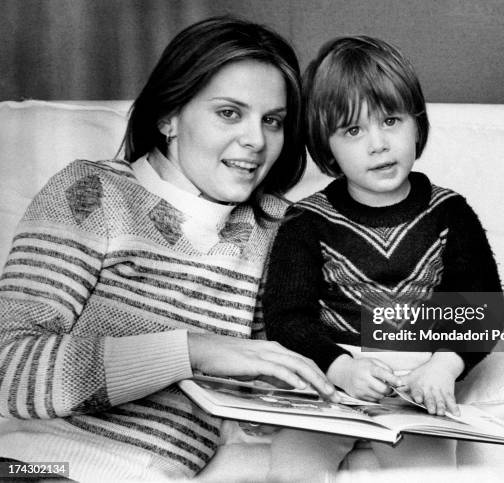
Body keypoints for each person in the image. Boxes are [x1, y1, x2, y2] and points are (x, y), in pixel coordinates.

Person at [0, 16, 339, 481]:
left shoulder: (279, 230)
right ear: (169, 116)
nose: (257, 141)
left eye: (273, 121)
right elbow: (9, 372)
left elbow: (281, 376)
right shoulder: (92, 192)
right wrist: (191, 350)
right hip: (41, 464)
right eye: (229, 113)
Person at [263, 36, 504, 480]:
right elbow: (286, 317)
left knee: (427, 475)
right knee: (289, 470)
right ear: (326, 145)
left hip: (418, 385)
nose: (378, 144)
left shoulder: (449, 212)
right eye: (353, 130)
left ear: (417, 124)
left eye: (391, 120)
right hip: (331, 382)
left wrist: (445, 364)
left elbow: (483, 308)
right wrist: (340, 366)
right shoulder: (307, 220)